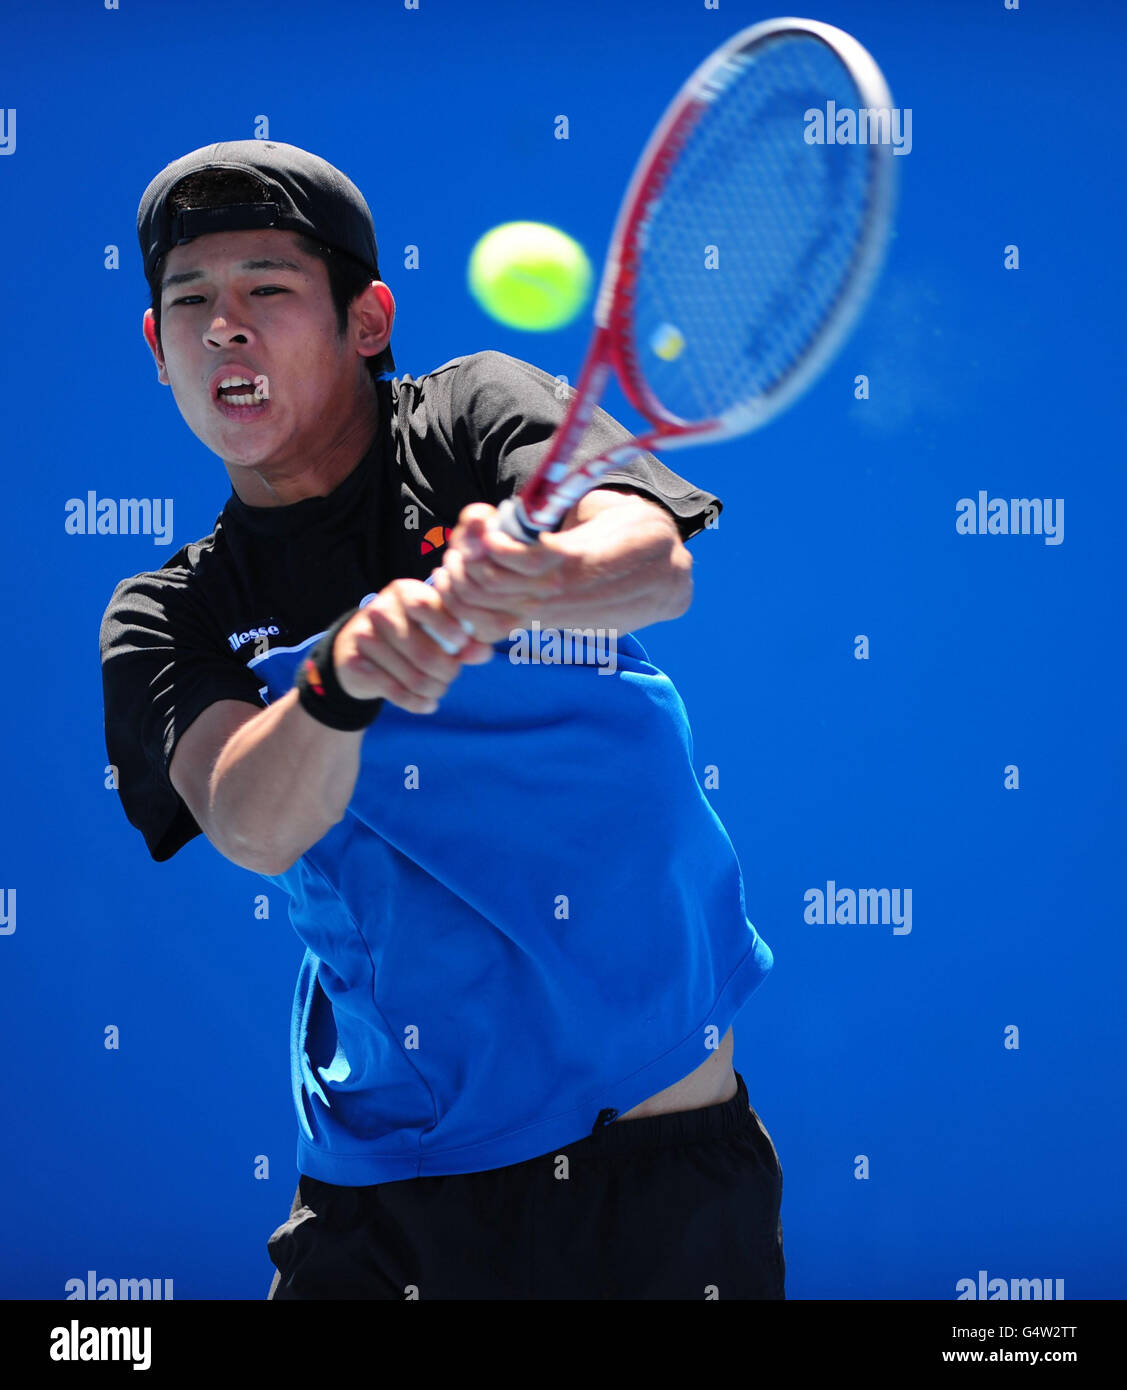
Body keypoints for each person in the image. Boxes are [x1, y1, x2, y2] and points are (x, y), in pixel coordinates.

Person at [100, 139, 785, 1300]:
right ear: (158, 352)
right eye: (190, 303)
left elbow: (649, 560)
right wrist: (338, 683)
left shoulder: (472, 414)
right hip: (388, 1192)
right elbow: (249, 823)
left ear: (367, 322)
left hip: (655, 1167)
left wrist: (530, 575)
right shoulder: (168, 613)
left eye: (267, 289)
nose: (224, 326)